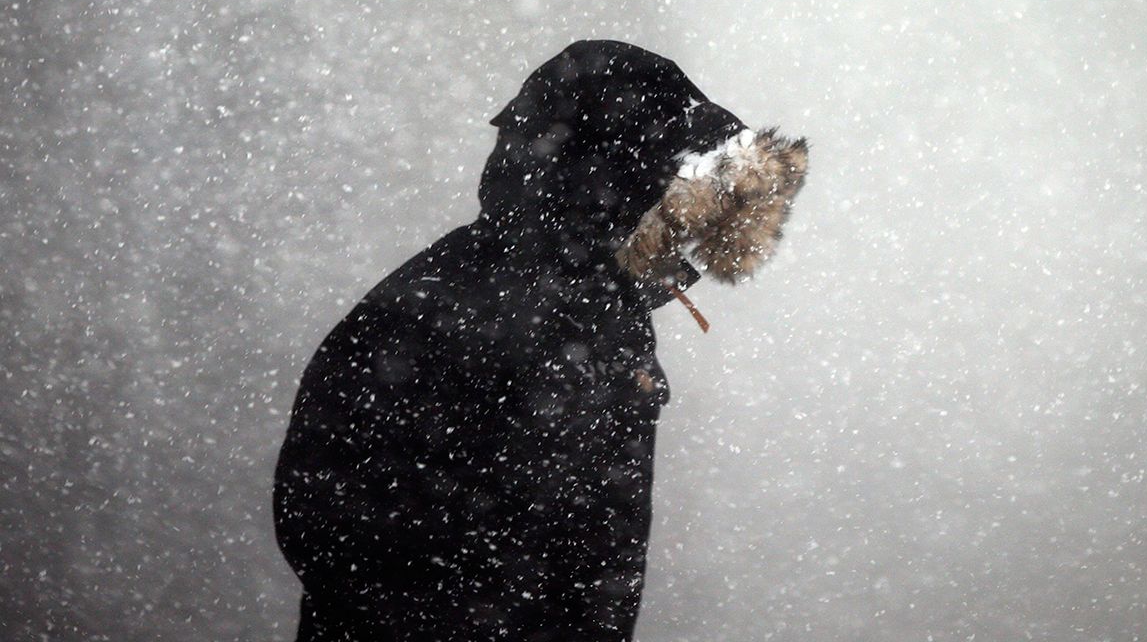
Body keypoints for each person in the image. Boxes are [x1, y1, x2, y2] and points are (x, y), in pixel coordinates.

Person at [273, 40, 808, 641]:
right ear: (612, 182)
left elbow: (597, 550)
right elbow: (323, 508)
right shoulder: (447, 300)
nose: (683, 244)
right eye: (676, 213)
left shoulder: (612, 323)